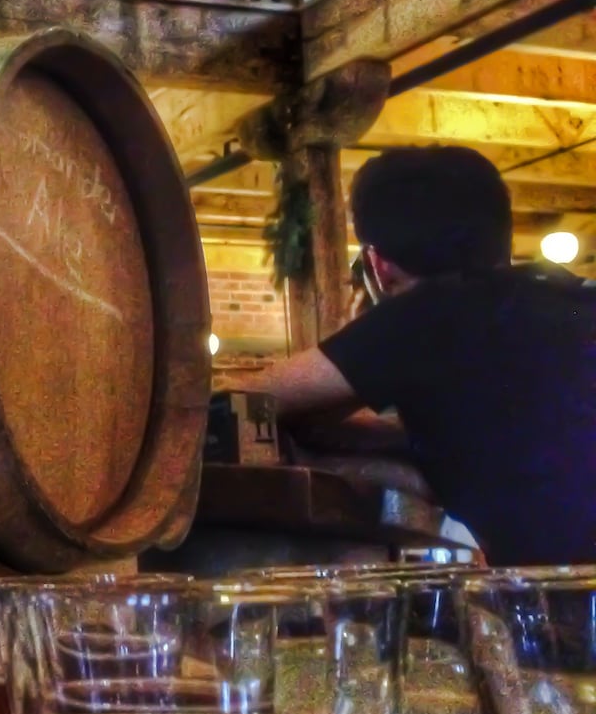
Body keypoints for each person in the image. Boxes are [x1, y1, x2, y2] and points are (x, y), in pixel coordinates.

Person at [251, 145, 596, 567]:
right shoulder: (573, 298)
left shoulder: (426, 316)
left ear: (378, 264)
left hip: (570, 609)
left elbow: (246, 401)